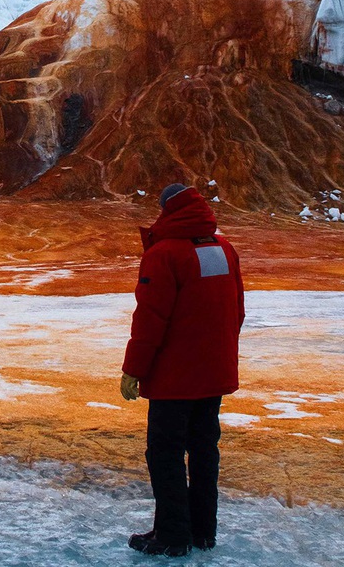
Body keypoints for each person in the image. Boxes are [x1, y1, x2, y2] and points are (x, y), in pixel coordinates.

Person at [120, 183, 245, 557]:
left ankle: (172, 535)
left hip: (175, 380)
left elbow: (151, 319)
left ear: (166, 211)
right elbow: (237, 310)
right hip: (213, 375)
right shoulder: (224, 249)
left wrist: (133, 370)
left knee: (165, 453)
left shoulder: (164, 254)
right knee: (205, 450)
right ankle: (203, 531)